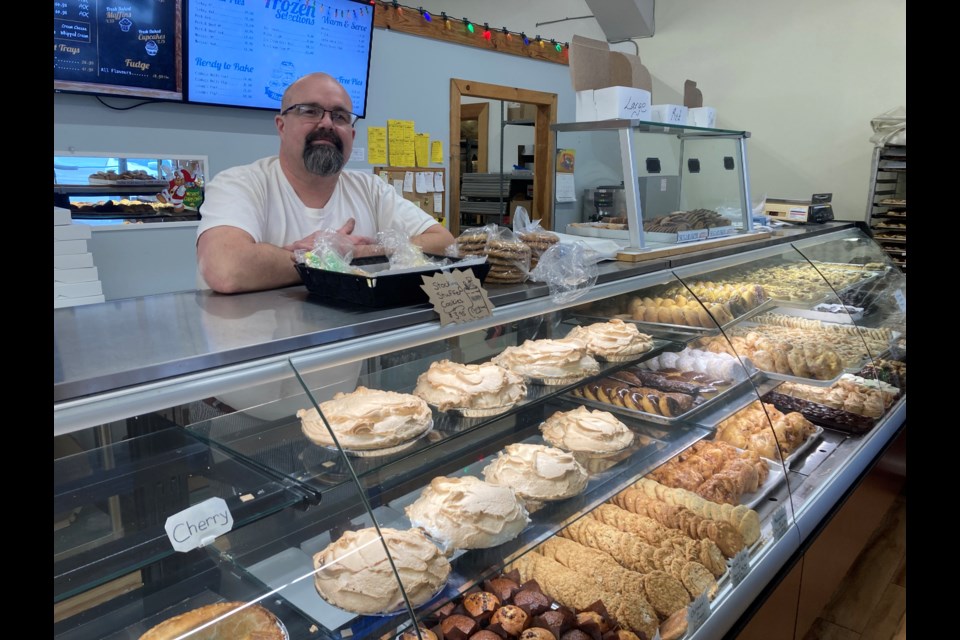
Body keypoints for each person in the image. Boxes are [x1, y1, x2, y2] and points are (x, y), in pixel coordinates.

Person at [197, 72, 455, 293]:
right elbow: (225, 268)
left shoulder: (371, 189)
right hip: (262, 345)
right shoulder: (240, 183)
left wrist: (355, 253)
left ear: (352, 135)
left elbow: (444, 242)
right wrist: (324, 257)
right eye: (310, 111)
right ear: (281, 126)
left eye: (340, 117)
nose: (327, 123)